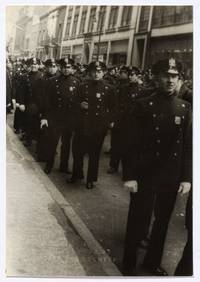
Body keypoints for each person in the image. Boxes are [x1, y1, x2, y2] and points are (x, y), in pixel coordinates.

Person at [120, 58, 192, 276]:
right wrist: (130, 176)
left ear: (179, 79)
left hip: (169, 177)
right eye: (166, 76)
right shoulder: (143, 105)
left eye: (174, 76)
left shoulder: (185, 107)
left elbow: (187, 145)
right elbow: (129, 143)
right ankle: (129, 263)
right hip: (145, 174)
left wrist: (186, 177)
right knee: (138, 219)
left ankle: (152, 262)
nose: (170, 80)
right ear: (156, 78)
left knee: (162, 223)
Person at [68, 61, 116, 189]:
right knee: (78, 151)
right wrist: (80, 105)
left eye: (99, 71)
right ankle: (77, 174)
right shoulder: (82, 86)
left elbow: (113, 108)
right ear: (89, 72)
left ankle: (90, 179)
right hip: (82, 125)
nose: (96, 74)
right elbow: (73, 103)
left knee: (94, 154)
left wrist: (108, 122)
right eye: (94, 71)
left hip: (98, 127)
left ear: (104, 73)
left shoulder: (109, 88)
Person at [41, 57, 80, 174]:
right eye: (63, 67)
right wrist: (45, 117)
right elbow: (47, 101)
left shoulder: (76, 82)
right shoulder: (52, 81)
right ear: (60, 68)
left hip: (69, 119)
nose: (66, 70)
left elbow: (78, 102)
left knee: (66, 144)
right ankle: (49, 164)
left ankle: (63, 166)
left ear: (72, 68)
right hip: (55, 117)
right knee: (52, 143)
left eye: (68, 67)